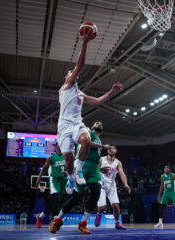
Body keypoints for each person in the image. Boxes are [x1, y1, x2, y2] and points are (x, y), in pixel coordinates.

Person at [56, 27, 123, 195]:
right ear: (67, 77)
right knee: (68, 160)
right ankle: (71, 177)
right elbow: (80, 65)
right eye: (71, 73)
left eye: (74, 73)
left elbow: (99, 101)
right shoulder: (66, 86)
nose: (73, 73)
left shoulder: (79, 92)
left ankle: (79, 169)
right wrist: (84, 43)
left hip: (77, 123)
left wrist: (111, 92)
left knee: (85, 139)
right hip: (64, 126)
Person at [49, 122, 111, 234]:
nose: (99, 123)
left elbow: (94, 156)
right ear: (93, 127)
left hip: (94, 168)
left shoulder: (98, 139)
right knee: (77, 197)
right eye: (97, 123)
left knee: (96, 191)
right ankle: (57, 221)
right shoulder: (87, 131)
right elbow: (87, 143)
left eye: (101, 124)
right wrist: (103, 147)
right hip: (83, 164)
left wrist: (101, 169)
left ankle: (83, 224)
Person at [95, 145, 131, 230]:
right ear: (107, 151)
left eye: (113, 148)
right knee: (103, 207)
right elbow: (94, 168)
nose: (111, 149)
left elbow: (122, 174)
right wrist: (101, 169)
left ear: (116, 151)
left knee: (115, 205)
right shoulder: (101, 159)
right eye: (109, 148)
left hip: (111, 185)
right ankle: (99, 214)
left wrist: (125, 184)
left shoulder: (118, 163)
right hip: (101, 184)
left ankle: (117, 223)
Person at [35, 143, 67, 228]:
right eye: (59, 145)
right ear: (56, 146)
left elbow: (70, 168)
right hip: (54, 180)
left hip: (63, 181)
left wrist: (67, 173)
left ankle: (40, 216)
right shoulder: (51, 158)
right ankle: (55, 218)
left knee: (54, 201)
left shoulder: (67, 156)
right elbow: (44, 168)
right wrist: (39, 178)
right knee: (55, 197)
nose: (60, 146)